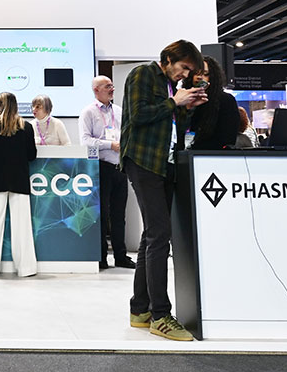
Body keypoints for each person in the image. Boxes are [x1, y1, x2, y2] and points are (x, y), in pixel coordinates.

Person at [121, 40, 207, 342]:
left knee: (152, 235)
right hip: (143, 161)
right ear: (169, 59)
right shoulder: (143, 74)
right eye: (183, 67)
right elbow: (138, 115)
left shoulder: (172, 86)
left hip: (164, 162)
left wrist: (187, 107)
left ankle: (140, 309)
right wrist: (175, 102)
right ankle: (160, 315)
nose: (185, 74)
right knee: (159, 235)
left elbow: (172, 126)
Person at [0, 92, 37, 278]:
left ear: (0, 105)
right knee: (22, 226)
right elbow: (32, 155)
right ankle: (26, 268)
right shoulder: (26, 126)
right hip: (19, 179)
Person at [79, 76, 132, 270]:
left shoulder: (119, 111)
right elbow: (85, 141)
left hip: (120, 167)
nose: (112, 89)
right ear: (96, 90)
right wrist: (110, 145)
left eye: (112, 85)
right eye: (107, 86)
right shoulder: (88, 112)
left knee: (119, 215)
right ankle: (100, 257)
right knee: (101, 215)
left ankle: (121, 256)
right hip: (101, 167)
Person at [187, 56, 242, 151]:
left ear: (213, 77)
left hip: (214, 154)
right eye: (196, 73)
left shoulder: (225, 100)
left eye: (205, 74)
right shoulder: (185, 98)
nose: (199, 77)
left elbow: (229, 136)